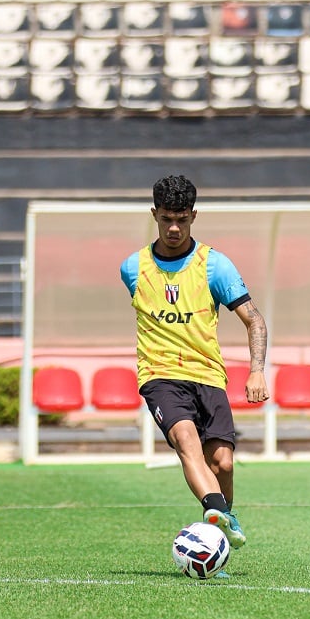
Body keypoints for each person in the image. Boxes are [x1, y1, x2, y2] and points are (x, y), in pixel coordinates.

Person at [120, 175, 269, 550]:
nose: (173, 228)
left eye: (182, 219)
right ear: (154, 214)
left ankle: (221, 530)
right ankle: (217, 512)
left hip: (207, 374)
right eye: (166, 218)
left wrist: (256, 370)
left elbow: (254, 319)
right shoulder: (133, 268)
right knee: (185, 440)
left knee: (223, 464)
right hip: (159, 374)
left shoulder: (214, 266)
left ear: (194, 216)